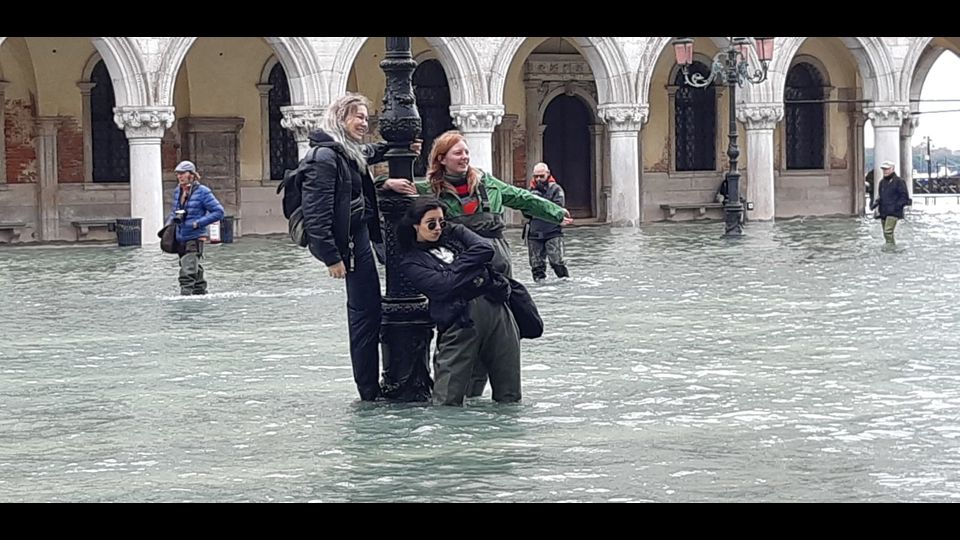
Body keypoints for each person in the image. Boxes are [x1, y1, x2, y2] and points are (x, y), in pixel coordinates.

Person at [382, 130, 572, 398]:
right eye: (458, 153)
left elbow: (522, 198)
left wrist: (554, 212)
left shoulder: (488, 183)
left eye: (466, 152)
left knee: (502, 361)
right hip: (463, 288)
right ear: (441, 159)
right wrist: (385, 183)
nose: (465, 157)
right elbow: (393, 193)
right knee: (463, 367)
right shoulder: (429, 190)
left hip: (496, 282)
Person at [299, 92, 416, 401]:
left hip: (360, 236)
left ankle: (371, 385)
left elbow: (360, 170)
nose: (364, 123)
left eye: (366, 117)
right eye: (358, 117)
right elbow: (317, 212)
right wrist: (331, 257)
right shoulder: (324, 157)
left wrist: (392, 161)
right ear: (340, 118)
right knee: (364, 314)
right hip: (348, 245)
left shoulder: (346, 151)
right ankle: (368, 391)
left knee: (369, 311)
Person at [397, 197, 520, 406]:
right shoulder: (412, 261)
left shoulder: (455, 233)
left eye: (442, 222)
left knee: (509, 389)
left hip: (496, 308)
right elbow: (443, 286)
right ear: (415, 225)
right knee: (448, 394)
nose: (438, 228)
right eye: (431, 223)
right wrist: (471, 269)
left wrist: (454, 270)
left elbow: (486, 249)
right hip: (460, 319)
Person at [165, 160, 224, 295]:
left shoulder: (203, 192)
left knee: (187, 269)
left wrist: (199, 223)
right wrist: (168, 227)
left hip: (195, 236)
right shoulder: (177, 191)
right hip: (180, 235)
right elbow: (174, 211)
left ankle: (185, 297)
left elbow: (219, 212)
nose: (179, 177)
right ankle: (200, 293)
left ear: (191, 175)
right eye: (178, 174)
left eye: (182, 173)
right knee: (193, 267)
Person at [524, 162, 569, 282]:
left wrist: (539, 203)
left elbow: (557, 209)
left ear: (548, 174)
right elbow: (526, 212)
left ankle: (565, 286)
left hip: (552, 232)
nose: (538, 179)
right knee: (536, 266)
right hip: (534, 233)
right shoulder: (529, 192)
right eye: (536, 176)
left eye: (541, 176)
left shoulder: (556, 189)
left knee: (557, 263)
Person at [871, 160, 912, 245]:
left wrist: (896, 207)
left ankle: (891, 249)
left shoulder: (899, 181)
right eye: (883, 169)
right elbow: (881, 196)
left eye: (887, 169)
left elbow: (904, 197)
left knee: (888, 231)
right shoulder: (882, 182)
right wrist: (875, 204)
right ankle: (890, 246)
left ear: (892, 169)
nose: (885, 171)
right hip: (884, 211)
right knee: (886, 233)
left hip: (893, 212)